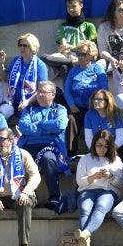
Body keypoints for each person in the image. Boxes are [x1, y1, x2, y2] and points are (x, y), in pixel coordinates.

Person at [18, 80, 70, 209]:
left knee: (48, 159)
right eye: (38, 92)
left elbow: (60, 125)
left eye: (43, 92)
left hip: (51, 147)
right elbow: (23, 127)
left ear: (52, 94)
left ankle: (54, 197)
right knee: (18, 159)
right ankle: (25, 196)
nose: (40, 95)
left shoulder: (60, 109)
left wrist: (38, 123)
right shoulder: (29, 109)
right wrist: (47, 129)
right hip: (28, 146)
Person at [74, 129, 123, 246]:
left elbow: (121, 184)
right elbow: (80, 182)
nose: (102, 149)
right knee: (85, 208)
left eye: (106, 146)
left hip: (108, 191)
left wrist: (111, 177)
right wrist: (93, 177)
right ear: (94, 144)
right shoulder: (85, 159)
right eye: (99, 145)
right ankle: (85, 244)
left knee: (101, 206)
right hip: (88, 190)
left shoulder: (116, 160)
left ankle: (85, 233)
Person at [40, 0, 97, 83]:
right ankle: (41, 84)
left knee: (64, 67)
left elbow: (88, 48)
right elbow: (63, 46)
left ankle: (67, 93)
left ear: (81, 5)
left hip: (82, 57)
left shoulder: (89, 26)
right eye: (68, 7)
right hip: (65, 56)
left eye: (74, 6)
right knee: (44, 58)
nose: (70, 9)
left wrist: (69, 47)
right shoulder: (63, 26)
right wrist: (68, 50)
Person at [64, 40, 108, 156]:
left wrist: (98, 105)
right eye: (79, 54)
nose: (81, 57)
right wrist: (72, 104)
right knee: (70, 120)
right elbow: (67, 89)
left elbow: (104, 89)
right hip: (77, 107)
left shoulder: (97, 69)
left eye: (84, 54)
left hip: (94, 107)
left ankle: (97, 153)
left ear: (91, 55)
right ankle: (71, 155)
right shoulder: (73, 71)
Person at [0, 33, 47, 122]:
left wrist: (27, 102)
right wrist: (0, 64)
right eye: (20, 45)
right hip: (12, 102)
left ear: (33, 47)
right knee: (0, 114)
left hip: (31, 104)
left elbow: (42, 90)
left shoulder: (40, 65)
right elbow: (5, 79)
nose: (21, 48)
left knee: (22, 118)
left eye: (25, 45)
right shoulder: (16, 61)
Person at [85, 89, 123, 159]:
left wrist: (109, 151)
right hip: (98, 149)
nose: (96, 101)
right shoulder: (89, 114)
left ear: (107, 101)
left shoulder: (116, 114)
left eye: (99, 99)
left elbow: (120, 138)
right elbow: (88, 138)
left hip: (118, 147)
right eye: (94, 99)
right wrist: (95, 151)